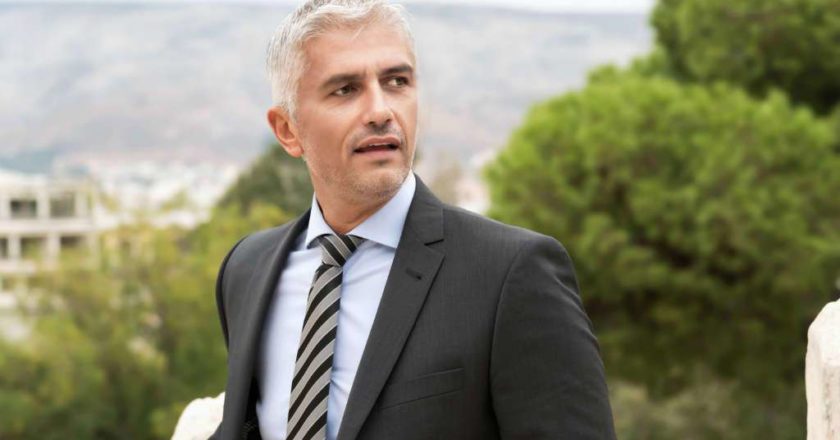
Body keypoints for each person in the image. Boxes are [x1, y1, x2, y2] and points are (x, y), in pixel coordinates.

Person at [211, 1, 616, 439]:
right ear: (288, 130)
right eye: (345, 89)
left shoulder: (511, 274)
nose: (381, 111)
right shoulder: (247, 270)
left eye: (396, 81)